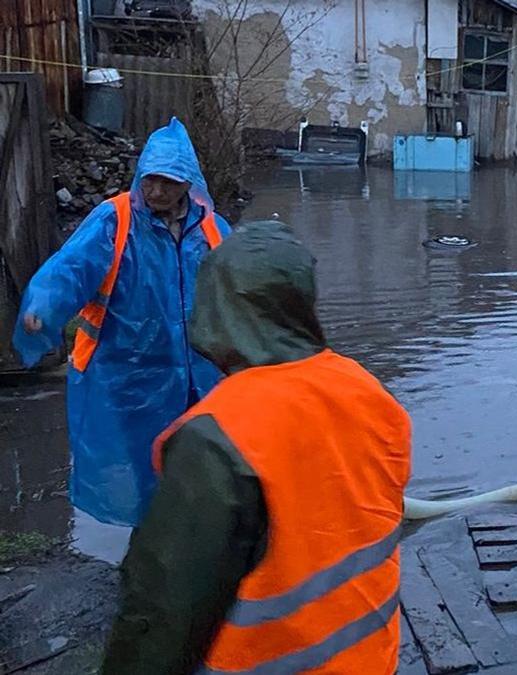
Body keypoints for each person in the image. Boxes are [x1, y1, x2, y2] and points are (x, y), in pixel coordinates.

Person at [101, 220, 412, 674]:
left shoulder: (215, 438)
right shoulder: (370, 394)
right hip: (372, 660)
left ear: (216, 308)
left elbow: (162, 610)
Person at [13, 118, 230, 526]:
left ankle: (194, 540)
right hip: (131, 374)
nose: (156, 191)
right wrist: (42, 309)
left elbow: (240, 285)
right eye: (150, 181)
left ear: (188, 183)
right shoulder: (114, 220)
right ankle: (154, 546)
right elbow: (70, 269)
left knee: (200, 464)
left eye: (168, 182)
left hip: (199, 376)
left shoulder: (213, 230)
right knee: (142, 466)